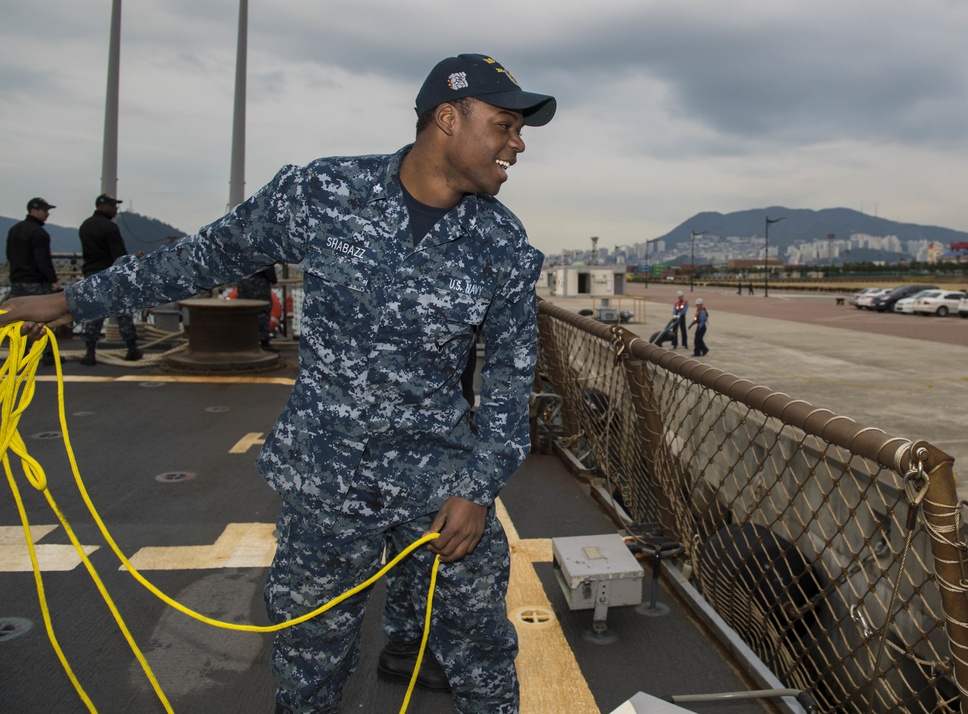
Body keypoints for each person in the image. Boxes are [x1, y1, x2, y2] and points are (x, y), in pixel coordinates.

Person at [0, 53, 555, 713]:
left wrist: (478, 488)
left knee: (484, 662)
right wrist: (75, 303)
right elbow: (205, 255)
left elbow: (510, 379)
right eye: (505, 124)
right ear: (447, 117)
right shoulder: (322, 192)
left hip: (441, 490)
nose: (517, 144)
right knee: (308, 668)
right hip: (325, 484)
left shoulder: (503, 245)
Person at [78, 193, 143, 364]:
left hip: (91, 275)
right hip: (109, 274)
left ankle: (89, 352)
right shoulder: (110, 227)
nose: (116, 209)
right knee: (123, 312)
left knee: (93, 313)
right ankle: (131, 349)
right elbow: (118, 255)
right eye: (113, 205)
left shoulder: (85, 226)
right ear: (103, 206)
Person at [5, 197, 61, 365]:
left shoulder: (14, 230)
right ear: (34, 211)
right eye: (45, 210)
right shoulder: (38, 233)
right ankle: (49, 355)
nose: (47, 213)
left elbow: (9, 255)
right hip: (36, 282)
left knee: (18, 319)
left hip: (17, 281)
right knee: (45, 318)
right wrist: (53, 281)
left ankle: (20, 353)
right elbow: (42, 260)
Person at [235, 265, 279, 352]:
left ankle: (245, 341)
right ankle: (264, 341)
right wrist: (273, 278)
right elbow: (267, 262)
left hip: (242, 280)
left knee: (245, 310)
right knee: (263, 310)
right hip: (258, 281)